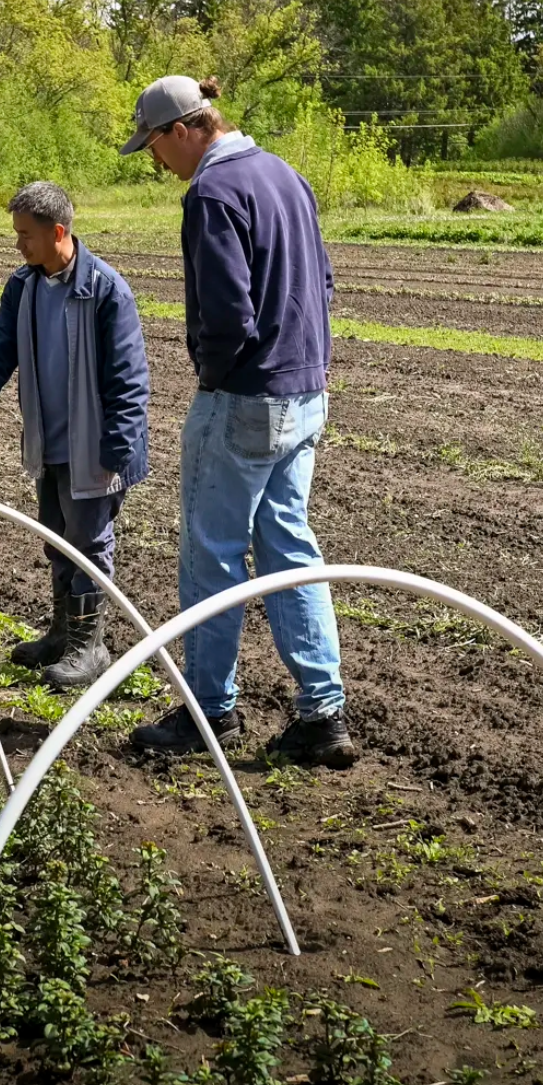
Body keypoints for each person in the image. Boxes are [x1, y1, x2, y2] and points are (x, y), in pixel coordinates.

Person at [121, 75, 355, 768]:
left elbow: (227, 313)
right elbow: (325, 284)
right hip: (305, 391)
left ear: (185, 129)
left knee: (212, 557)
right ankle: (322, 712)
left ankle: (208, 711)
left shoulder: (213, 194)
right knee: (289, 550)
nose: (157, 163)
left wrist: (212, 373)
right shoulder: (286, 175)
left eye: (155, 148)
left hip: (245, 398)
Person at [0, 181, 151, 689]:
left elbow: (130, 379)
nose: (19, 245)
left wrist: (116, 451)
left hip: (97, 448)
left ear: (58, 232)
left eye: (26, 235)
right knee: (57, 540)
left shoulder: (106, 290)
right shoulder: (26, 286)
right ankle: (63, 634)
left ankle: (92, 645)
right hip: (51, 441)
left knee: (89, 543)